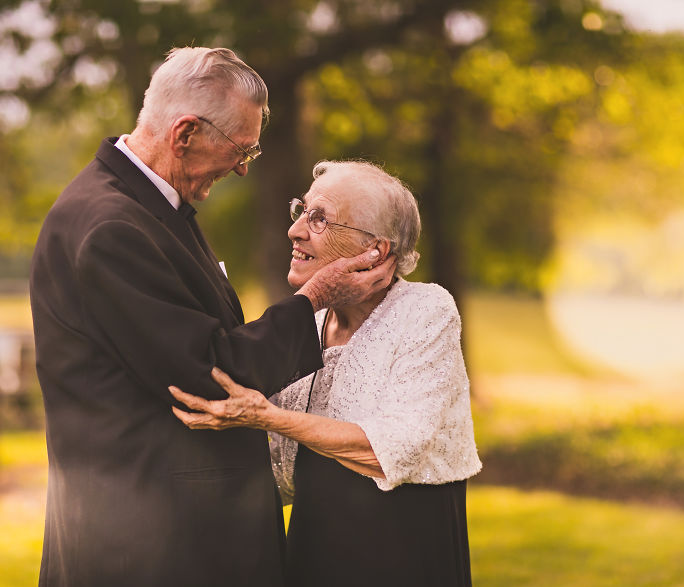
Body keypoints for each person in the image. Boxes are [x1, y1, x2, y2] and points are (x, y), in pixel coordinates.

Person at [29, 48, 394, 587]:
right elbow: (210, 377)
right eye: (240, 149)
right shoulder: (111, 229)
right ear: (185, 134)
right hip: (150, 543)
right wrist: (314, 299)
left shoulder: (149, 206)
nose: (245, 166)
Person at [171, 160, 482, 587]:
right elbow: (266, 459)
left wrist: (268, 416)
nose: (295, 230)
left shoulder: (425, 310)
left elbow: (393, 451)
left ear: (376, 251)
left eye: (320, 219)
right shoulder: (308, 325)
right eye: (301, 210)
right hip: (314, 551)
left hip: (405, 555)